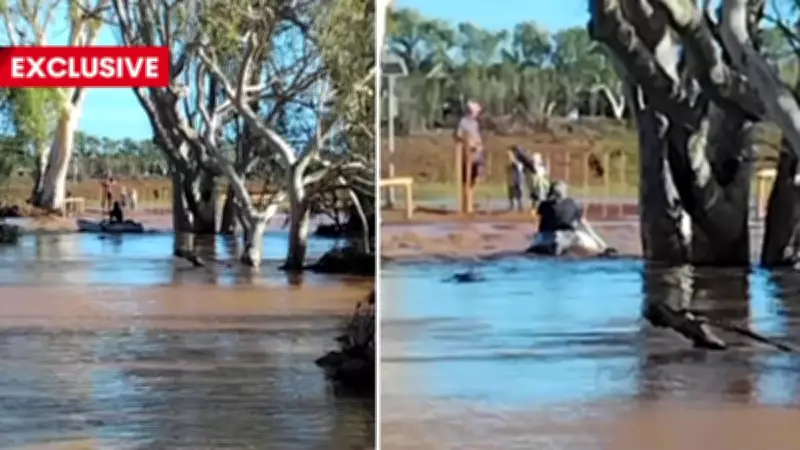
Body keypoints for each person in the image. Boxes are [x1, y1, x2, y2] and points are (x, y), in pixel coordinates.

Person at [528, 180, 608, 256]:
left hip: (548, 234)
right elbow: (583, 222)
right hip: (570, 233)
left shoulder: (544, 205)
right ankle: (602, 247)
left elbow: (539, 218)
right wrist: (597, 239)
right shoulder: (573, 203)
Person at [453, 100, 485, 190]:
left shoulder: (475, 123)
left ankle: (474, 182)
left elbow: (478, 138)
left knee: (480, 162)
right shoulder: (463, 122)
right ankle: (466, 191)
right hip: (466, 151)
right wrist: (467, 142)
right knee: (466, 175)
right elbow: (459, 135)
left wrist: (478, 145)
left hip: (475, 152)